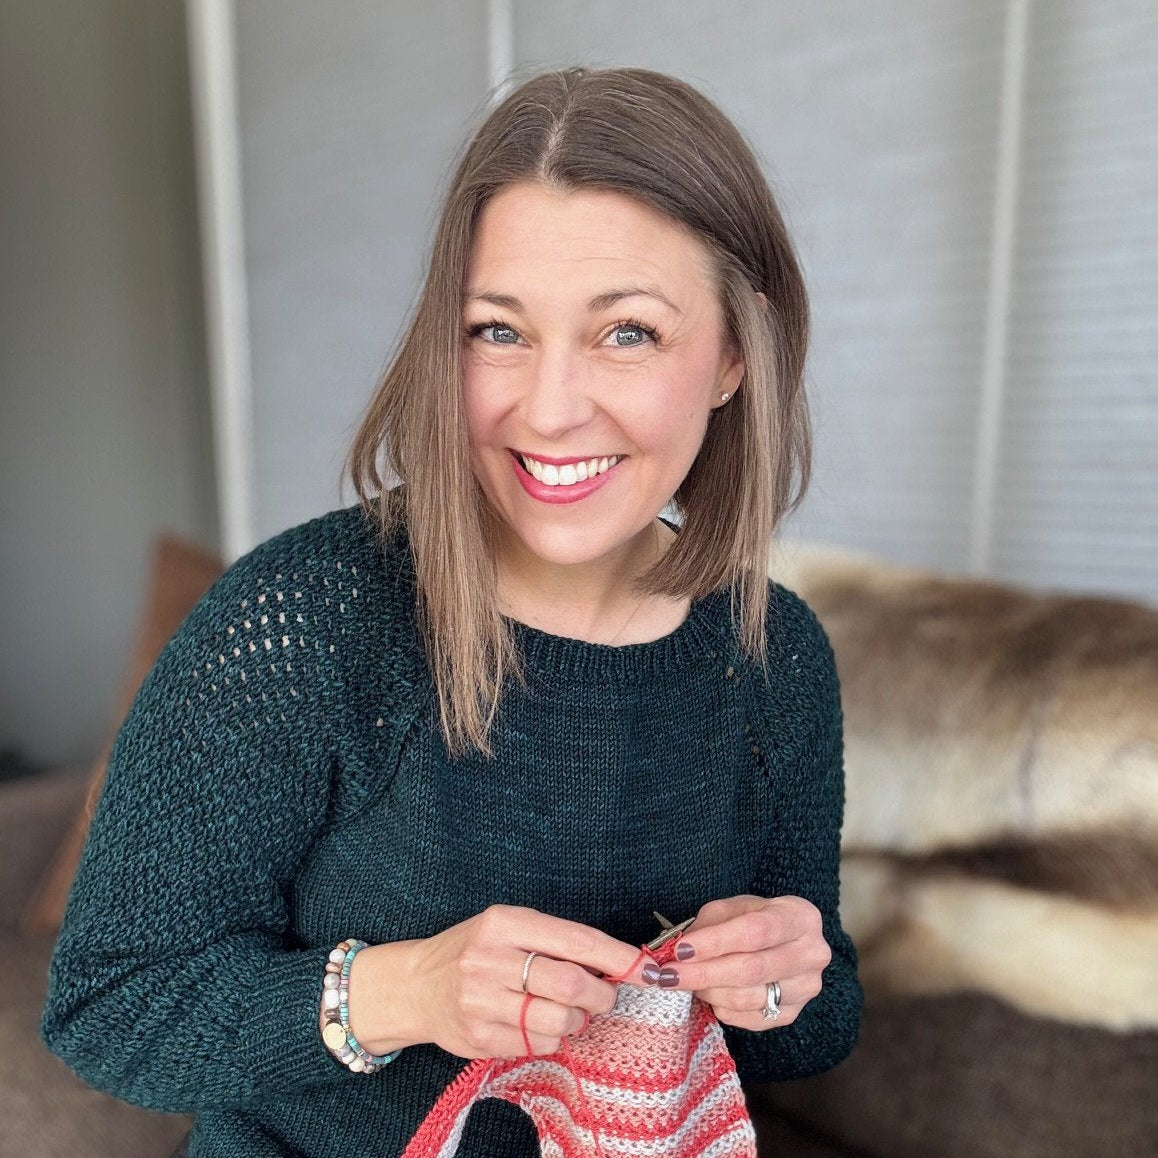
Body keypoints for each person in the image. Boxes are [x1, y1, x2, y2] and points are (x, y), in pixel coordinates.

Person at [41, 65, 862, 1156]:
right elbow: (109, 1008)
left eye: (627, 332)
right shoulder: (303, 620)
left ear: (734, 354)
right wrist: (405, 991)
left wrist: (784, 975)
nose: (551, 410)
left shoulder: (774, 654)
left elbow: (817, 1028)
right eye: (497, 331)